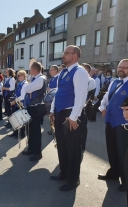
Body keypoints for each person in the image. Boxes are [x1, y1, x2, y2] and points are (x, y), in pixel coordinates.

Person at [49, 45, 89, 191]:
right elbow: (58, 93)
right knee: (62, 145)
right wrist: (53, 110)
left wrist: (73, 118)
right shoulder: (64, 72)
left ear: (75, 56)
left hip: (72, 114)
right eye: (64, 52)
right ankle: (64, 173)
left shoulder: (80, 72)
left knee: (72, 148)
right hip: (61, 113)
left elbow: (80, 97)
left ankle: (73, 180)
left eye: (67, 52)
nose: (63, 54)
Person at [98, 59, 128, 192]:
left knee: (123, 154)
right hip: (110, 122)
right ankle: (114, 174)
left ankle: (126, 181)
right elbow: (106, 97)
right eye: (119, 67)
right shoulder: (114, 82)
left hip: (123, 125)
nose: (121, 69)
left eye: (125, 67)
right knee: (112, 150)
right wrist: (102, 107)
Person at [22, 62, 47, 161]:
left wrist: (28, 87)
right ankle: (31, 148)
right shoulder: (35, 79)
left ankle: (37, 153)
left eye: (30, 69)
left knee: (35, 131)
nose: (29, 71)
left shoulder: (40, 79)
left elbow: (26, 89)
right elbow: (27, 89)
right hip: (32, 107)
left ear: (34, 69)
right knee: (30, 129)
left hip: (36, 108)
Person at [81, 63, 96, 151]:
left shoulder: (91, 80)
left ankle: (82, 144)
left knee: (83, 126)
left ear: (87, 71)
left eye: (82, 69)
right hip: (77, 105)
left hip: (85, 107)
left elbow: (84, 89)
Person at [9, 70, 28, 138]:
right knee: (16, 119)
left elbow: (23, 96)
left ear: (23, 76)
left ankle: (21, 134)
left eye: (19, 75)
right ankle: (15, 132)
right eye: (17, 75)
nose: (18, 77)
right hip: (17, 102)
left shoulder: (25, 84)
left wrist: (15, 101)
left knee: (20, 119)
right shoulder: (20, 83)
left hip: (21, 103)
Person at [47, 65, 59, 135]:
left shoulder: (58, 78)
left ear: (56, 71)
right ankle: (52, 129)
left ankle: (55, 129)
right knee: (50, 114)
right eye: (50, 69)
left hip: (55, 98)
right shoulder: (51, 78)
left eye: (52, 70)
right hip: (50, 98)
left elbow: (57, 89)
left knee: (54, 115)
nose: (50, 71)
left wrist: (50, 90)